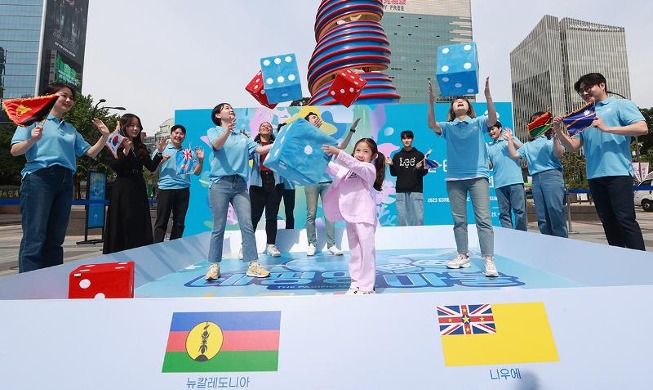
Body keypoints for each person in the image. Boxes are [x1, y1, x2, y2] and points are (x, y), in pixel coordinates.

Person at [10, 83, 110, 272]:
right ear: (49, 96)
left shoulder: (70, 129)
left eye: (71, 98)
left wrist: (104, 136)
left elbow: (89, 152)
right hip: (39, 178)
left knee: (56, 237)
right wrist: (31, 139)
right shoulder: (34, 120)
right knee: (35, 235)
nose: (68, 100)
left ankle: (52, 281)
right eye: (64, 95)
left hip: (65, 181)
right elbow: (15, 150)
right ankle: (28, 284)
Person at [554, 72, 648, 250]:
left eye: (588, 88)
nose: (584, 93)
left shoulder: (620, 104)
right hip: (595, 175)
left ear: (602, 85)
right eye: (581, 91)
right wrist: (559, 132)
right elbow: (573, 146)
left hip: (618, 172)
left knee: (625, 219)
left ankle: (640, 263)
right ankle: (618, 261)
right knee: (608, 222)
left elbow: (642, 127)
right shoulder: (584, 114)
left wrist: (607, 128)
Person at [427, 77, 499, 277]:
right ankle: (463, 255)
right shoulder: (448, 127)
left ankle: (488, 259)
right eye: (455, 101)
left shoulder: (478, 123)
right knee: (459, 221)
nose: (459, 101)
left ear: (468, 107)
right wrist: (432, 102)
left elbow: (492, 119)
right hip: (454, 179)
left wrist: (487, 96)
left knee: (483, 219)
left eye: (463, 101)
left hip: (478, 176)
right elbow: (431, 124)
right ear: (452, 108)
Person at [204, 103, 274, 281]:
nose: (230, 109)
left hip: (240, 185)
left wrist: (277, 143)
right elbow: (217, 146)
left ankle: (253, 264)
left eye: (231, 108)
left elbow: (259, 149)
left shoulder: (243, 138)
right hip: (219, 184)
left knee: (247, 225)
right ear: (218, 115)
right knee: (218, 227)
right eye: (226, 108)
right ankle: (214, 265)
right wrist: (227, 131)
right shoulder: (214, 131)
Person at [322, 138, 386, 294]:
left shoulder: (369, 169)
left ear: (374, 155)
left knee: (367, 252)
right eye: (358, 150)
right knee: (355, 253)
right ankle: (355, 283)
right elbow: (329, 166)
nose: (360, 154)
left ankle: (367, 286)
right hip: (350, 216)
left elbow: (354, 164)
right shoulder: (345, 169)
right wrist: (318, 155)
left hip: (364, 216)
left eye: (365, 151)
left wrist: (338, 152)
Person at [103, 113, 166, 254]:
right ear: (124, 127)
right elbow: (116, 166)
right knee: (124, 220)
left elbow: (151, 166)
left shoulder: (140, 147)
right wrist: (125, 150)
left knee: (139, 220)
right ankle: (120, 252)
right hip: (123, 187)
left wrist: (160, 152)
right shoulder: (114, 144)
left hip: (138, 186)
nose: (135, 128)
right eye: (132, 125)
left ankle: (139, 252)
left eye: (137, 126)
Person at [303, 112, 358, 256]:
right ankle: (311, 243)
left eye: (317, 117)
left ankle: (331, 245)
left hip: (327, 180)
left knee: (329, 213)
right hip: (311, 180)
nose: (316, 119)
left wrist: (352, 130)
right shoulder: (304, 139)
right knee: (311, 214)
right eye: (313, 117)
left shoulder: (326, 138)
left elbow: (342, 146)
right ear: (307, 122)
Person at [506, 113, 567, 238]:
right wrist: (509, 140)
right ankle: (547, 243)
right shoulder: (528, 145)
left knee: (554, 211)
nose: (536, 125)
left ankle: (562, 243)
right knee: (542, 216)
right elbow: (514, 155)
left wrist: (556, 137)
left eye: (540, 122)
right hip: (536, 179)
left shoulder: (550, 141)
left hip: (551, 176)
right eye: (534, 122)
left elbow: (559, 153)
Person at [153, 124, 204, 243]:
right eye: (176, 133)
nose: (178, 135)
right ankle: (156, 248)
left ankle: (174, 247)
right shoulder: (161, 149)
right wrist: (161, 159)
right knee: (161, 222)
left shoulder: (188, 152)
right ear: (171, 135)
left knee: (179, 223)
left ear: (184, 136)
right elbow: (153, 169)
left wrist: (201, 161)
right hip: (165, 189)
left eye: (181, 134)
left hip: (183, 189)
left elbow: (196, 172)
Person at [249, 122, 284, 257]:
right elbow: (246, 157)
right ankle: (246, 246)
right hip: (258, 182)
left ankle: (271, 245)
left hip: (275, 182)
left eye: (269, 126)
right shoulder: (253, 145)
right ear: (258, 130)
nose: (266, 127)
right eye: (262, 126)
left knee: (271, 216)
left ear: (271, 131)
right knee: (254, 216)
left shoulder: (278, 144)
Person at [487, 122, 527, 231]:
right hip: (499, 184)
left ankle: (521, 236)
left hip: (515, 181)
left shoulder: (510, 139)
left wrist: (510, 139)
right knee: (504, 213)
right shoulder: (489, 147)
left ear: (500, 128)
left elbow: (524, 149)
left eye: (493, 129)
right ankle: (509, 237)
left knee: (519, 211)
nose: (491, 132)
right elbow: (489, 165)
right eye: (489, 130)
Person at [386, 130, 428, 226]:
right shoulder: (397, 156)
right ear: (401, 140)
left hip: (416, 190)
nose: (406, 140)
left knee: (418, 218)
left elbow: (425, 172)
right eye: (404, 138)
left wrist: (419, 168)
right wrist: (392, 164)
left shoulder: (419, 155)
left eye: (408, 138)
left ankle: (419, 239)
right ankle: (403, 239)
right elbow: (394, 173)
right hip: (400, 190)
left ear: (412, 139)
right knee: (402, 218)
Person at [276, 122, 296, 229]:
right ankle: (272, 236)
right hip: (275, 184)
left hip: (290, 185)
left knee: (289, 212)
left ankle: (290, 235)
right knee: (273, 211)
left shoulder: (294, 147)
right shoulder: (274, 145)